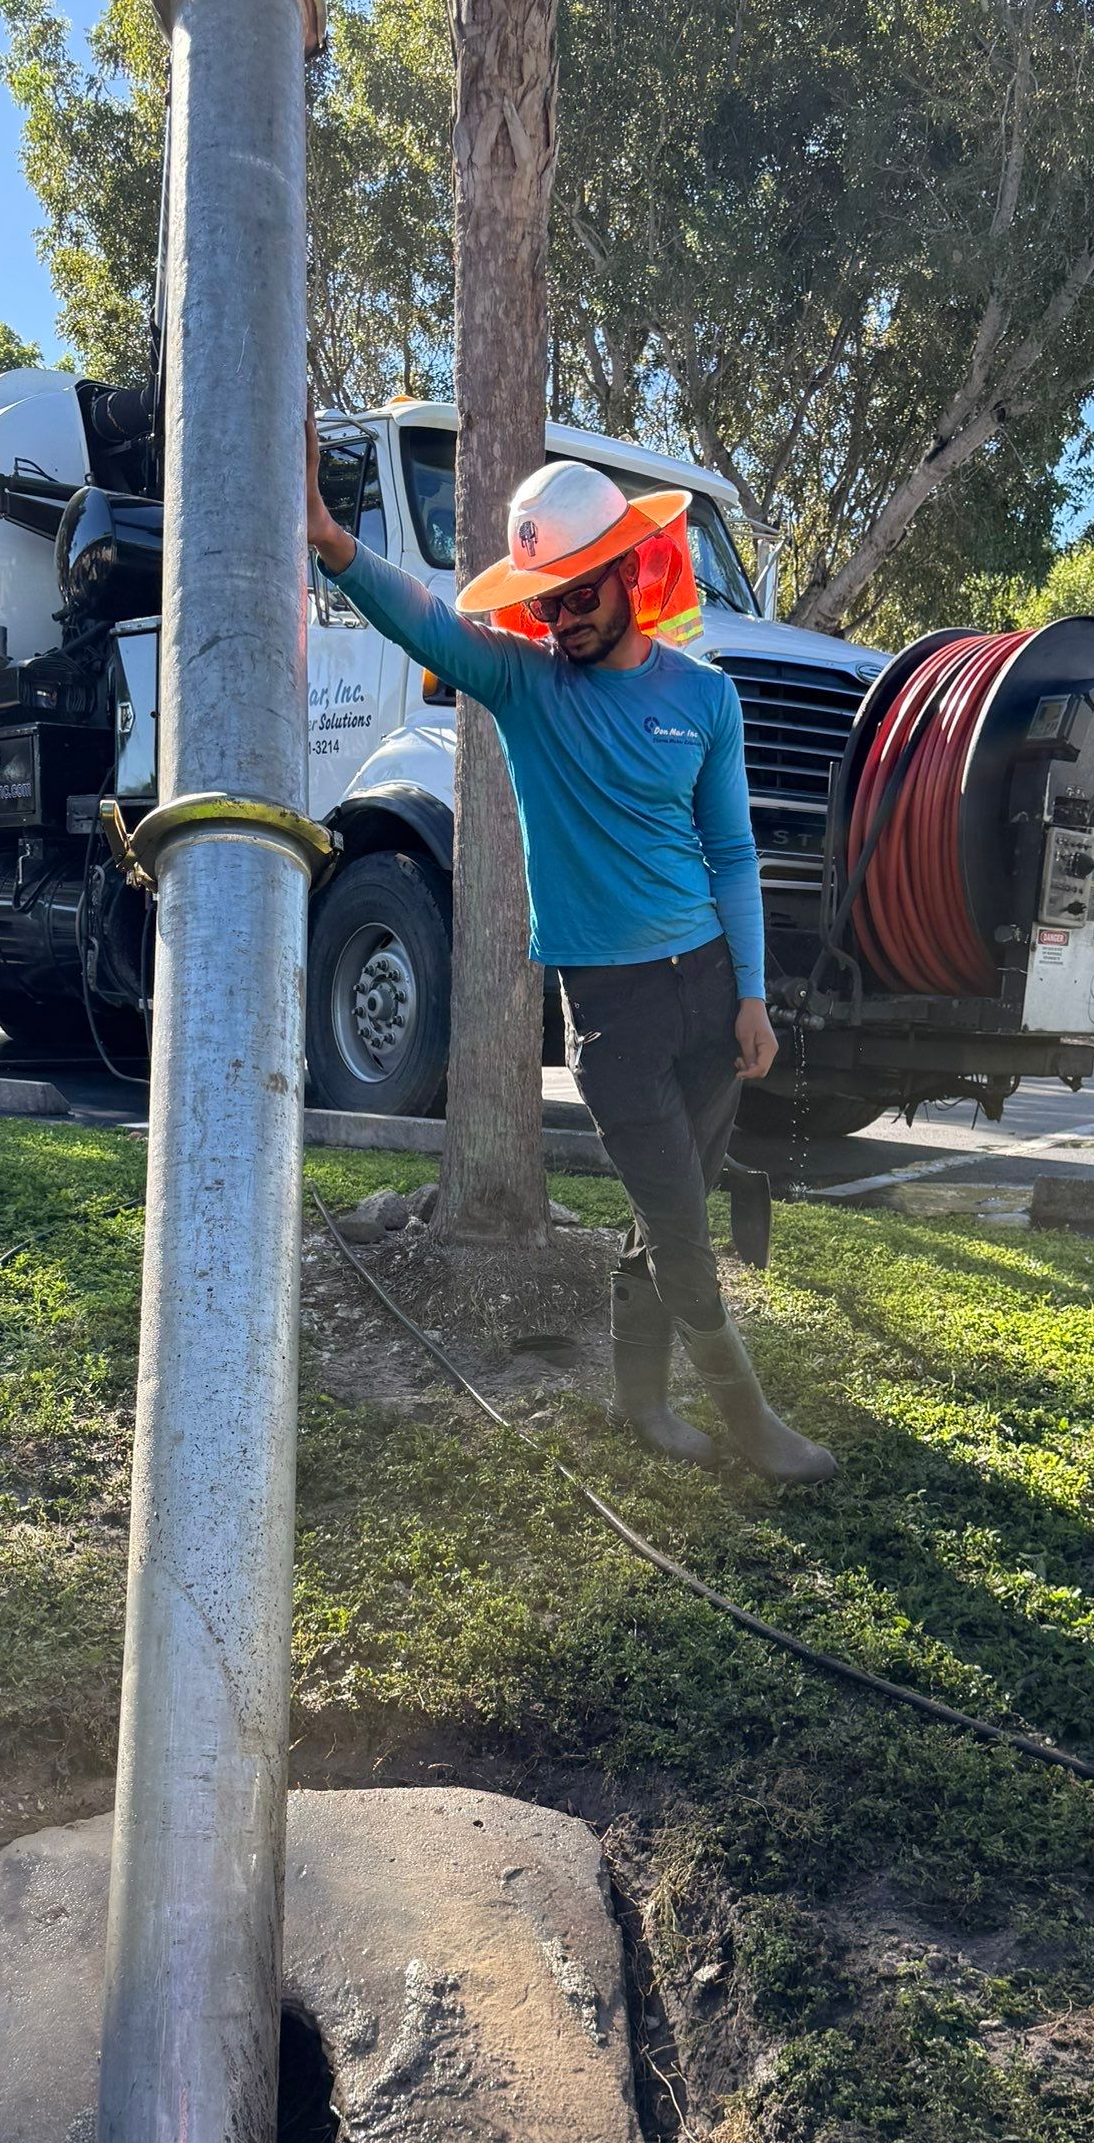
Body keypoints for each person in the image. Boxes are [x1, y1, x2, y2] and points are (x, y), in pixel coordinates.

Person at [305, 428, 836, 1487]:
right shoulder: (526, 687)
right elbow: (424, 619)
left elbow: (730, 852)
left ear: (627, 571)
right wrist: (332, 545)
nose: (561, 618)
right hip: (612, 1014)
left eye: (577, 595)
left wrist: (752, 998)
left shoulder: (705, 699)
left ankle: (641, 1401)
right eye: (544, 602)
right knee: (681, 1225)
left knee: (663, 1208)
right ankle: (747, 1418)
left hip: (706, 990)